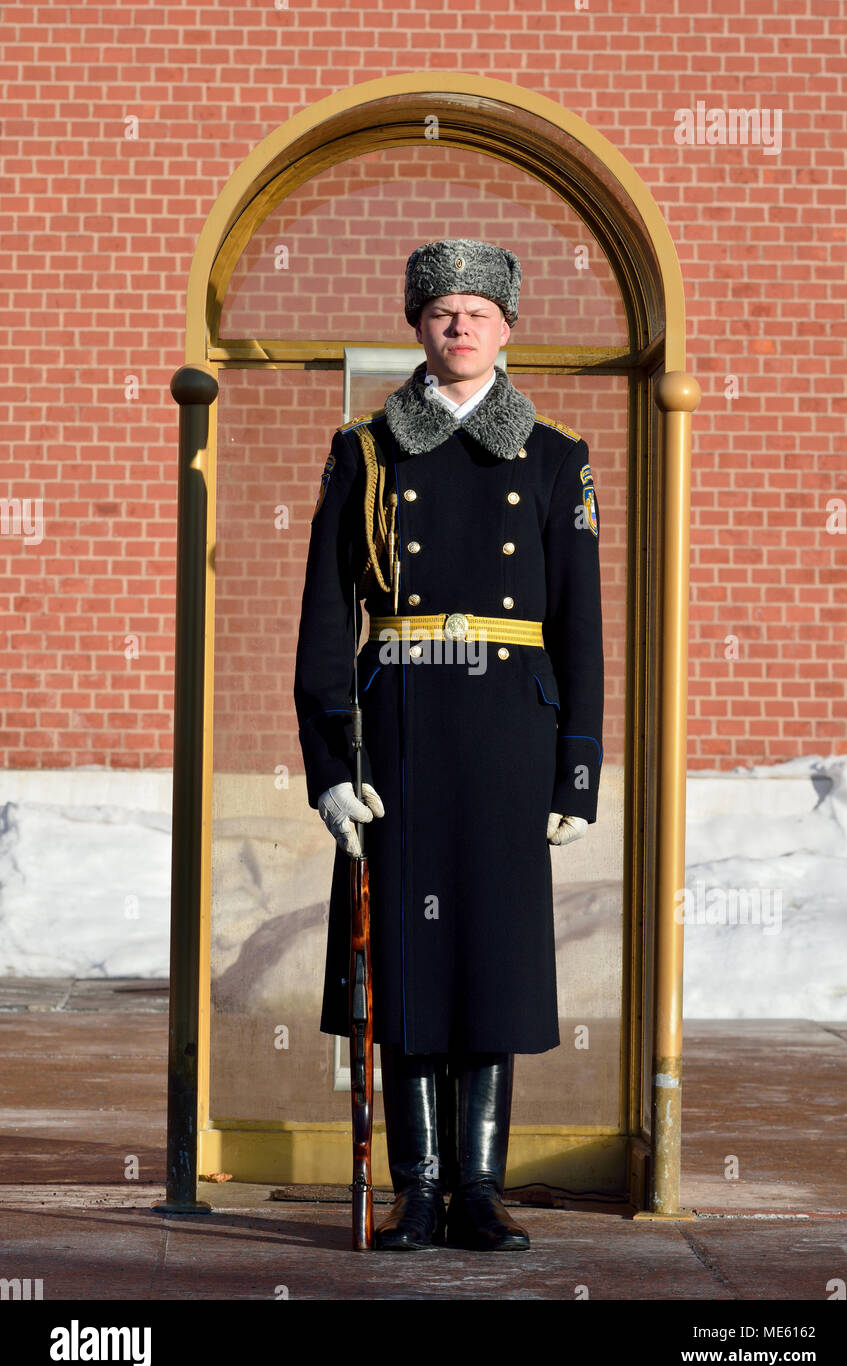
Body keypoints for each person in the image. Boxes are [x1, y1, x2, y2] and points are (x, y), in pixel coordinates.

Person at [293, 238, 604, 1252]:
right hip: (403, 733)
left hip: (508, 737)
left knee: (492, 962)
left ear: (507, 328)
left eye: (477, 309)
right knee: (407, 965)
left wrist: (575, 764)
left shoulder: (554, 458)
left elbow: (581, 626)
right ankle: (415, 1187)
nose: (459, 323)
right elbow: (324, 625)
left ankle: (478, 1188)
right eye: (440, 310)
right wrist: (331, 771)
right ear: (415, 327)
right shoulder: (366, 451)